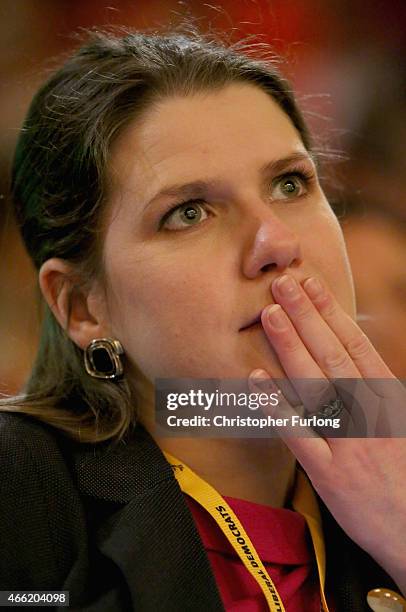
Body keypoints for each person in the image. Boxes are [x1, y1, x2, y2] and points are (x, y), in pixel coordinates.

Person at [0, 26, 405, 612]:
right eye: (188, 213)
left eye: (290, 183)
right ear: (83, 307)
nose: (275, 241)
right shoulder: (22, 492)